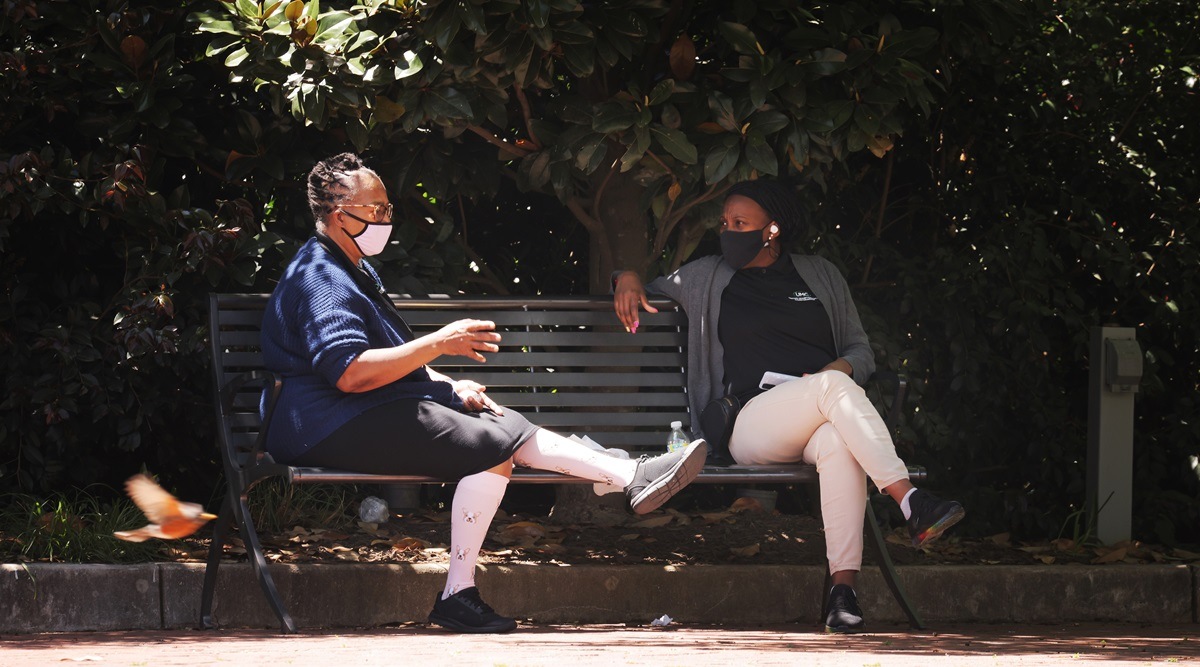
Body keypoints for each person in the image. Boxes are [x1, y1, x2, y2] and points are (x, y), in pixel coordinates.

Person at [260, 153, 707, 634]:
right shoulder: (320, 276)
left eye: (389, 209)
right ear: (336, 215)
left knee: (496, 425)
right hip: (318, 422)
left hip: (355, 408)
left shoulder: (352, 266)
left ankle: (468, 587)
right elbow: (348, 372)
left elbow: (379, 359)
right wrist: (440, 343)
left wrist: (445, 383)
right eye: (374, 210)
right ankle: (626, 476)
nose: (385, 220)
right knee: (490, 444)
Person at [612, 178, 964, 634]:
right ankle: (910, 501)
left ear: (772, 230)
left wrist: (834, 368)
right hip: (750, 423)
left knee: (838, 438)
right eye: (725, 223)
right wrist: (626, 277)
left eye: (741, 223)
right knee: (830, 388)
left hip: (819, 418)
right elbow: (651, 285)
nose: (728, 231)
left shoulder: (820, 275)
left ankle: (843, 594)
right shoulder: (709, 276)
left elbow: (860, 351)